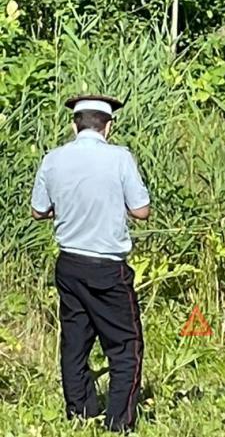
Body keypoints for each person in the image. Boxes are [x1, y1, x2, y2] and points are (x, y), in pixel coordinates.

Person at [31, 95, 150, 432]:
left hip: (69, 264)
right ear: (108, 126)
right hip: (108, 268)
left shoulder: (54, 159)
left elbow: (38, 210)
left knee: (75, 342)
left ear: (75, 124)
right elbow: (142, 211)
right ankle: (118, 420)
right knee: (125, 345)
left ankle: (80, 412)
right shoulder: (119, 158)